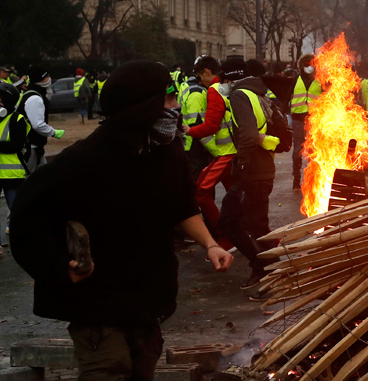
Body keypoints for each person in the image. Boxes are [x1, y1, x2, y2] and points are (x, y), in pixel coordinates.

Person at [10, 60, 233, 381]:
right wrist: (59, 268)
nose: (177, 106)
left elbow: (182, 207)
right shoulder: (85, 161)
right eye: (169, 98)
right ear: (143, 107)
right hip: (99, 312)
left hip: (147, 306)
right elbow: (25, 221)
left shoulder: (168, 154)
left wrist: (210, 244)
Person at [217, 59, 277, 297]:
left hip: (254, 172)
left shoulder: (240, 95)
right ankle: (262, 266)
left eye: (222, 79)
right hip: (258, 170)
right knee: (232, 220)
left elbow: (249, 135)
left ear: (229, 77)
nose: (221, 84)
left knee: (257, 226)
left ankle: (271, 274)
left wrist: (241, 163)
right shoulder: (257, 91)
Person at [185, 57, 236, 250]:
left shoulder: (214, 90)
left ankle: (226, 235)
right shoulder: (229, 87)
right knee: (236, 196)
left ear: (207, 71)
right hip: (232, 151)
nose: (200, 81)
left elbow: (211, 125)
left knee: (201, 193)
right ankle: (241, 232)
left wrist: (190, 131)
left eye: (200, 76)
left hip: (226, 153)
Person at [17, 67, 64, 173]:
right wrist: (53, 132)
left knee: (43, 175)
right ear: (40, 80)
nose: (49, 79)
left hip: (34, 145)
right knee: (28, 177)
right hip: (31, 146)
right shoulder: (35, 98)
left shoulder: (33, 94)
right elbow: (38, 125)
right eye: (46, 77)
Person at [1, 82, 28, 250]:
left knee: (17, 212)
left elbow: (16, 145)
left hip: (12, 175)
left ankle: (26, 242)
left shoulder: (17, 119)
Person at [179, 57, 214, 182]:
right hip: (196, 147)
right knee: (199, 187)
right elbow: (197, 125)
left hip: (190, 145)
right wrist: (217, 151)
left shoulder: (187, 86)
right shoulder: (197, 93)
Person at [290, 54, 320, 190]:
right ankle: (296, 179)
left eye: (312, 64)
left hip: (315, 119)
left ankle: (312, 179)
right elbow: (286, 97)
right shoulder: (295, 80)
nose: (309, 67)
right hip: (298, 119)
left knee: (314, 150)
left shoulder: (320, 81)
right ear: (302, 66)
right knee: (298, 150)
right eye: (306, 64)